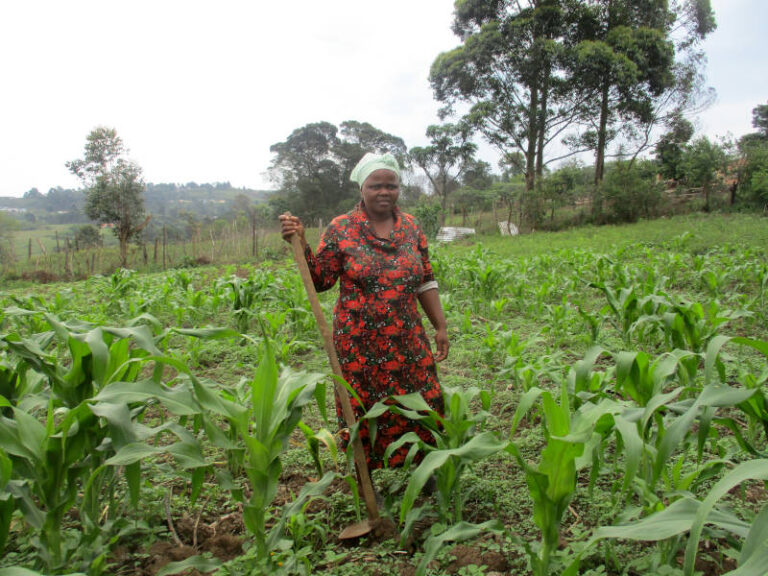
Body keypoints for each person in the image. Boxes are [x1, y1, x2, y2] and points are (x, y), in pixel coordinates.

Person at [279, 152, 449, 469]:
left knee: (424, 400)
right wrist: (301, 243)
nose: (384, 191)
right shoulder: (341, 228)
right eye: (375, 186)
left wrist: (439, 326)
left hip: (408, 339)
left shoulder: (411, 227)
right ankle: (366, 476)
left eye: (391, 185)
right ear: (362, 189)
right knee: (363, 408)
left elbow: (425, 279)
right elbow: (321, 280)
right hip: (359, 345)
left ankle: (425, 467)